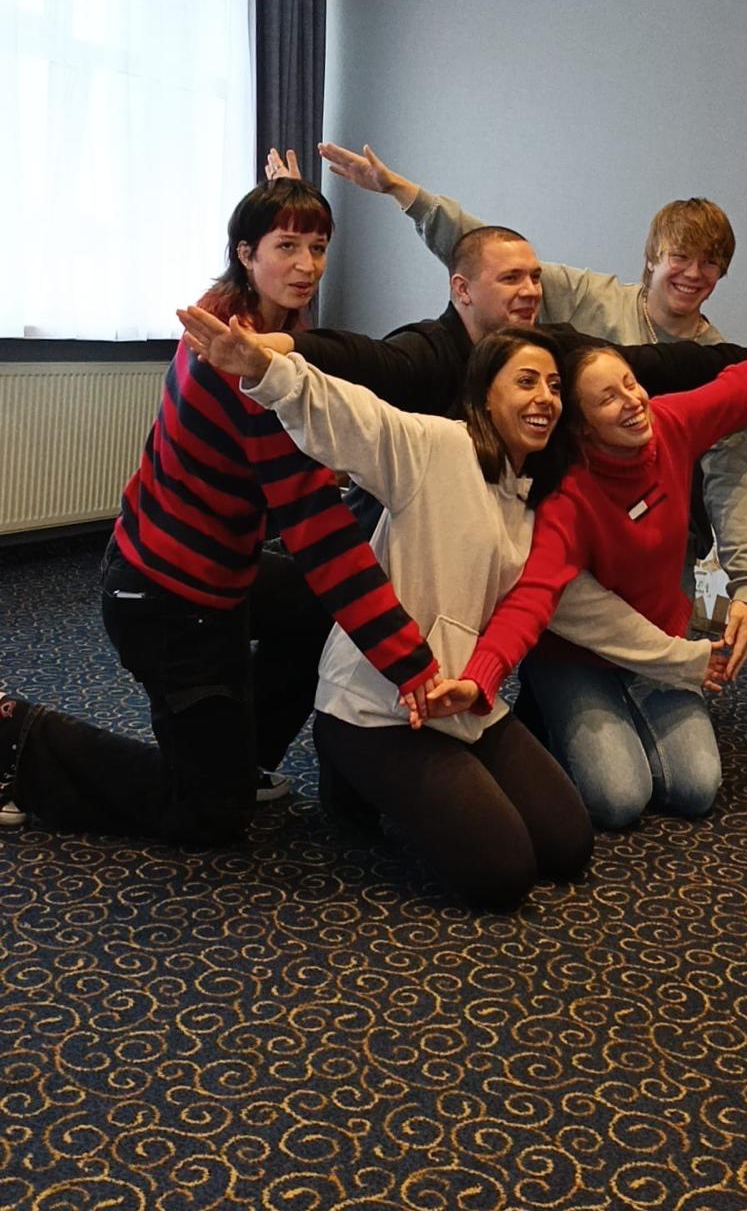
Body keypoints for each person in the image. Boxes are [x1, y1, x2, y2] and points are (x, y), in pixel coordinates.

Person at [179, 305, 722, 904]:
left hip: (465, 700)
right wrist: (266, 370)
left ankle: (399, 786)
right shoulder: (440, 447)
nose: (544, 397)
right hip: (376, 708)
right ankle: (348, 772)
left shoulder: (535, 503)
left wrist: (688, 659)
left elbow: (586, 610)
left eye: (554, 386)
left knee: (568, 846)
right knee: (502, 875)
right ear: (486, 396)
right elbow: (355, 417)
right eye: (525, 381)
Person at [0, 178, 438, 845]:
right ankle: (16, 742)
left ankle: (237, 754)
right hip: (167, 598)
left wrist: (284, 196)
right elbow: (321, 536)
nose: (307, 266)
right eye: (286, 247)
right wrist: (412, 665)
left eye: (318, 248)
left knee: (313, 613)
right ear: (245, 253)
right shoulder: (247, 369)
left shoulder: (231, 314)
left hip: (203, 565)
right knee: (209, 814)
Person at [304, 142, 747, 685]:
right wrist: (402, 192)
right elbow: (486, 254)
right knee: (548, 646)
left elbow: (732, 475)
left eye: (709, 263)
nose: (693, 273)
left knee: (660, 667)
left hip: (654, 528)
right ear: (652, 258)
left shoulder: (718, 365)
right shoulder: (587, 300)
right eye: (680, 258)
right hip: (566, 517)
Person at [414, 337, 747, 829]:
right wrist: (482, 676)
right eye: (608, 398)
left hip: (659, 644)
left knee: (695, 789)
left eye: (631, 384)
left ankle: (606, 725)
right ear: (582, 426)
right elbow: (531, 597)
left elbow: (741, 386)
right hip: (578, 659)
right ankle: (547, 710)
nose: (632, 401)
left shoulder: (671, 425)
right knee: (619, 799)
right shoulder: (568, 496)